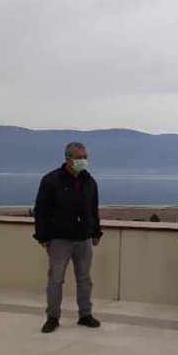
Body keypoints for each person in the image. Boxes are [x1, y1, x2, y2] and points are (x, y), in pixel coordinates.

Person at [33, 142, 103, 333]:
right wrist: (42, 236)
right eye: (79, 158)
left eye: (85, 157)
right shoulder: (51, 180)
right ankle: (52, 317)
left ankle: (85, 315)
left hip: (84, 238)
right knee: (55, 280)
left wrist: (96, 232)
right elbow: (41, 211)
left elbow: (93, 210)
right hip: (59, 239)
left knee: (85, 279)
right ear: (68, 158)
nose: (83, 161)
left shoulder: (90, 182)